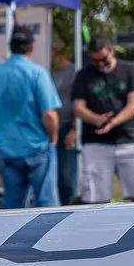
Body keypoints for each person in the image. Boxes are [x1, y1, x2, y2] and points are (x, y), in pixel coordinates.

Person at [0, 28, 60, 209]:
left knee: (13, 208)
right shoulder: (38, 73)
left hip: (8, 151)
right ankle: (51, 238)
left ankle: (13, 238)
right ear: (32, 47)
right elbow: (49, 114)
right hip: (38, 148)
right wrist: (53, 137)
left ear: (11, 47)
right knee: (47, 205)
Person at [67, 36, 134, 204]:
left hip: (128, 137)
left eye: (103, 59)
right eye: (95, 60)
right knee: (95, 195)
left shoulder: (129, 69)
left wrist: (113, 122)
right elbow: (78, 107)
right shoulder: (84, 75)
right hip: (96, 140)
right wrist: (96, 119)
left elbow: (133, 106)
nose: (100, 64)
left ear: (112, 51)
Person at [51, 50, 83, 206]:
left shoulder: (73, 73)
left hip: (65, 129)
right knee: (54, 177)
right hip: (50, 129)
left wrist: (74, 129)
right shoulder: (49, 72)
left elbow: (79, 103)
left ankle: (69, 209)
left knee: (67, 176)